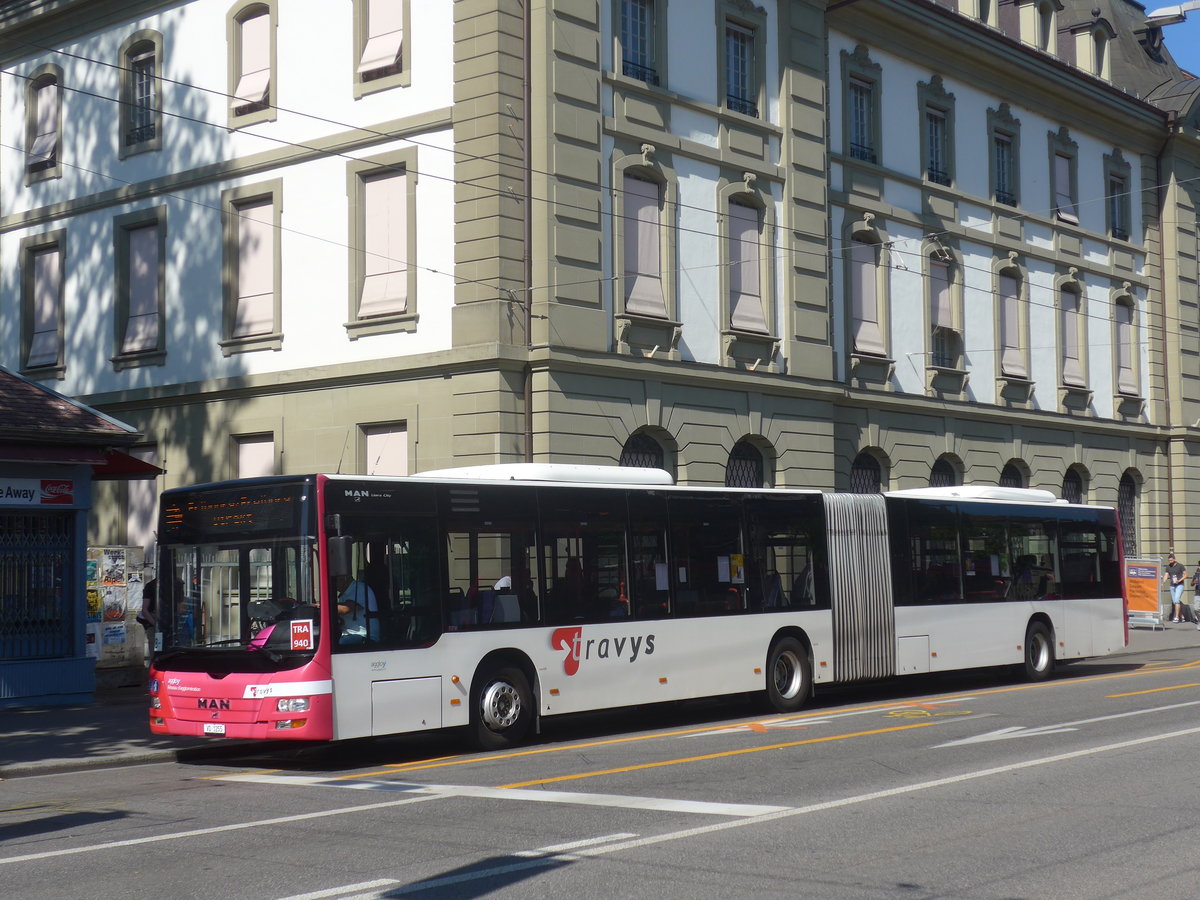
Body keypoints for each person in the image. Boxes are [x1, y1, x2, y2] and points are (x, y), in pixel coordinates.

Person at [337, 575, 379, 644]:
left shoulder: (359, 588)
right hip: (350, 634)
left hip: (364, 636)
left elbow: (346, 608)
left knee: (340, 643)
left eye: (336, 580)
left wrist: (322, 608)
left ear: (344, 578)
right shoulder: (344, 593)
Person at [136, 578, 158, 664]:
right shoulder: (151, 586)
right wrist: (155, 624)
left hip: (158, 624)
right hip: (153, 625)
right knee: (155, 654)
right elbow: (145, 610)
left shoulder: (175, 584)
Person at [1164, 553, 1187, 623]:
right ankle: (1182, 616)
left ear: (1174, 559)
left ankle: (1176, 617)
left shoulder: (1180, 566)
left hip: (1179, 585)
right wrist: (1164, 581)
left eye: (1171, 560)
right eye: (1169, 561)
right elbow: (1166, 575)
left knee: (1177, 600)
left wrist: (1179, 580)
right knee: (1175, 602)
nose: (1170, 562)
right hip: (1172, 585)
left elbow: (1186, 575)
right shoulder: (1168, 567)